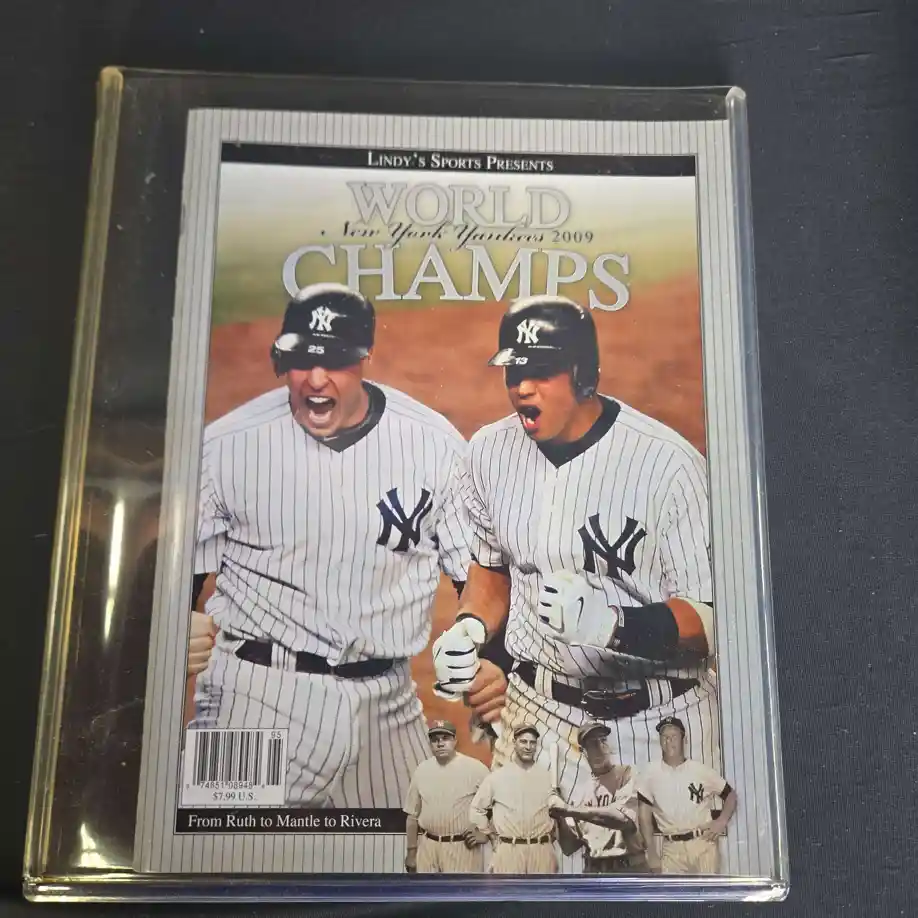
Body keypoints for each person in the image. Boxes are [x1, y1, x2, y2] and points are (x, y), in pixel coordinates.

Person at [184, 282, 507, 811]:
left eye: (334, 362)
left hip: (390, 706)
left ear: (363, 358)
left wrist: (491, 659)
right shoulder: (226, 447)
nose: (316, 380)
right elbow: (173, 575)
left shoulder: (433, 445)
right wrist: (172, 627)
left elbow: (476, 574)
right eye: (301, 361)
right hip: (256, 700)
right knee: (230, 852)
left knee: (427, 845)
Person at [433, 294, 719, 810]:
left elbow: (710, 622)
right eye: (514, 371)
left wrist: (613, 624)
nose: (522, 387)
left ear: (583, 375)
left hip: (658, 726)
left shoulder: (668, 466)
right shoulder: (488, 453)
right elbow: (491, 571)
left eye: (541, 372)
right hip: (536, 719)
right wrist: (469, 629)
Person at [637, 716, 737, 875]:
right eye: (665, 737)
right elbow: (644, 817)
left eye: (674, 736)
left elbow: (730, 795)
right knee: (672, 891)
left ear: (684, 739)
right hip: (671, 848)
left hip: (702, 843)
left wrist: (721, 821)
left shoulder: (700, 770)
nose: (669, 741)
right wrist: (652, 854)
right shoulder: (650, 773)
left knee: (707, 890)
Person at [549, 721, 647, 873]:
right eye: (592, 744)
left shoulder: (627, 775)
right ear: (583, 751)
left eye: (603, 740)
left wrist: (567, 809)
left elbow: (622, 820)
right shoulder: (580, 792)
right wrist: (559, 816)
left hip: (628, 868)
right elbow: (569, 847)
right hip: (594, 871)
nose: (600, 748)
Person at [469, 723, 563, 874]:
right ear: (514, 742)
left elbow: (559, 814)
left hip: (541, 848)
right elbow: (476, 809)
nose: (528, 747)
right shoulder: (497, 777)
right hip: (509, 848)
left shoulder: (548, 778)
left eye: (532, 743)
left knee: (542, 889)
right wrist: (491, 835)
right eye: (523, 742)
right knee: (507, 890)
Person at [402, 720, 490, 873]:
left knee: (459, 889)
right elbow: (412, 816)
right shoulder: (422, 770)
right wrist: (411, 852)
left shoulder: (476, 768)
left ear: (455, 741)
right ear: (430, 744)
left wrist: (485, 833)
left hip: (461, 847)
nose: (440, 743)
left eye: (445, 738)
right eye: (435, 740)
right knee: (423, 889)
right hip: (428, 846)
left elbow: (498, 806)